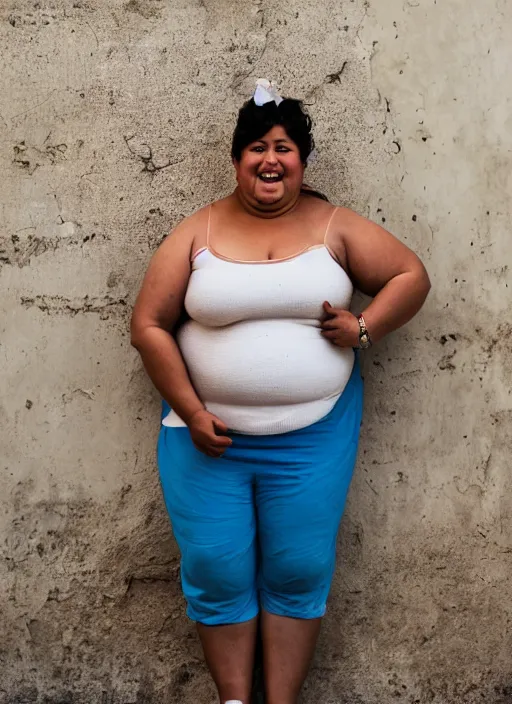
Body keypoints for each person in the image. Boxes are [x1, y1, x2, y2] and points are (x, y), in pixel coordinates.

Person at [130, 79, 431, 704]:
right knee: (215, 567)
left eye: (286, 148)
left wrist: (364, 327)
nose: (272, 159)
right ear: (237, 159)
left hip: (312, 440)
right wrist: (191, 408)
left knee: (298, 568)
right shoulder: (197, 231)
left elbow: (410, 275)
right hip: (205, 440)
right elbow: (149, 325)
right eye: (258, 148)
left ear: (303, 160)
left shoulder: (335, 225)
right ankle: (235, 700)